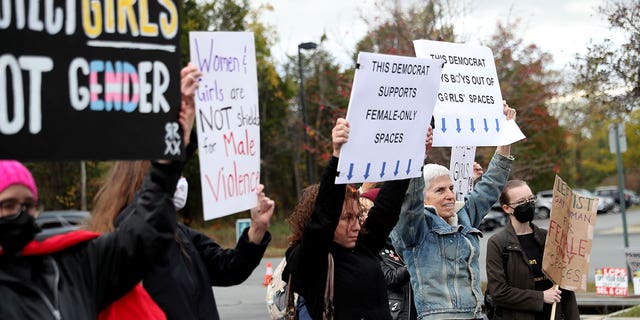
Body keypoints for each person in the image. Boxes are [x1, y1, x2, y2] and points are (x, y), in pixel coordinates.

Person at [0, 63, 201, 319]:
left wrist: (167, 159)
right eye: (8, 205)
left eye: (29, 205)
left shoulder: (72, 266)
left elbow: (142, 235)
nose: (21, 213)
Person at [88, 161, 274, 320]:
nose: (181, 182)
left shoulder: (180, 234)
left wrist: (257, 229)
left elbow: (229, 268)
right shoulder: (121, 238)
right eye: (174, 174)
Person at [283, 117, 429, 319]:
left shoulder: (362, 247)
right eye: (346, 218)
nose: (356, 225)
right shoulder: (310, 259)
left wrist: (413, 155)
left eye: (358, 216)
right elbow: (324, 216)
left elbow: (386, 207)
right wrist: (338, 158)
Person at [392, 101, 518, 319]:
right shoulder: (414, 229)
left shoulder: (463, 215)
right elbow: (409, 198)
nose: (450, 194)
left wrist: (506, 131)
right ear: (423, 197)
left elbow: (491, 185)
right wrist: (417, 154)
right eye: (440, 190)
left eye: (451, 188)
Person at [485, 180, 579, 320]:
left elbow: (565, 289)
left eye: (531, 199)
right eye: (521, 202)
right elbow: (498, 292)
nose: (528, 205)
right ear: (506, 208)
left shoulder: (549, 237)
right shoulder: (498, 243)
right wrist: (541, 297)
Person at [360, 188, 417, 320]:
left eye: (366, 211)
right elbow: (389, 278)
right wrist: (415, 262)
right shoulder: (368, 246)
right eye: (360, 212)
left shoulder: (402, 239)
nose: (362, 216)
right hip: (396, 314)